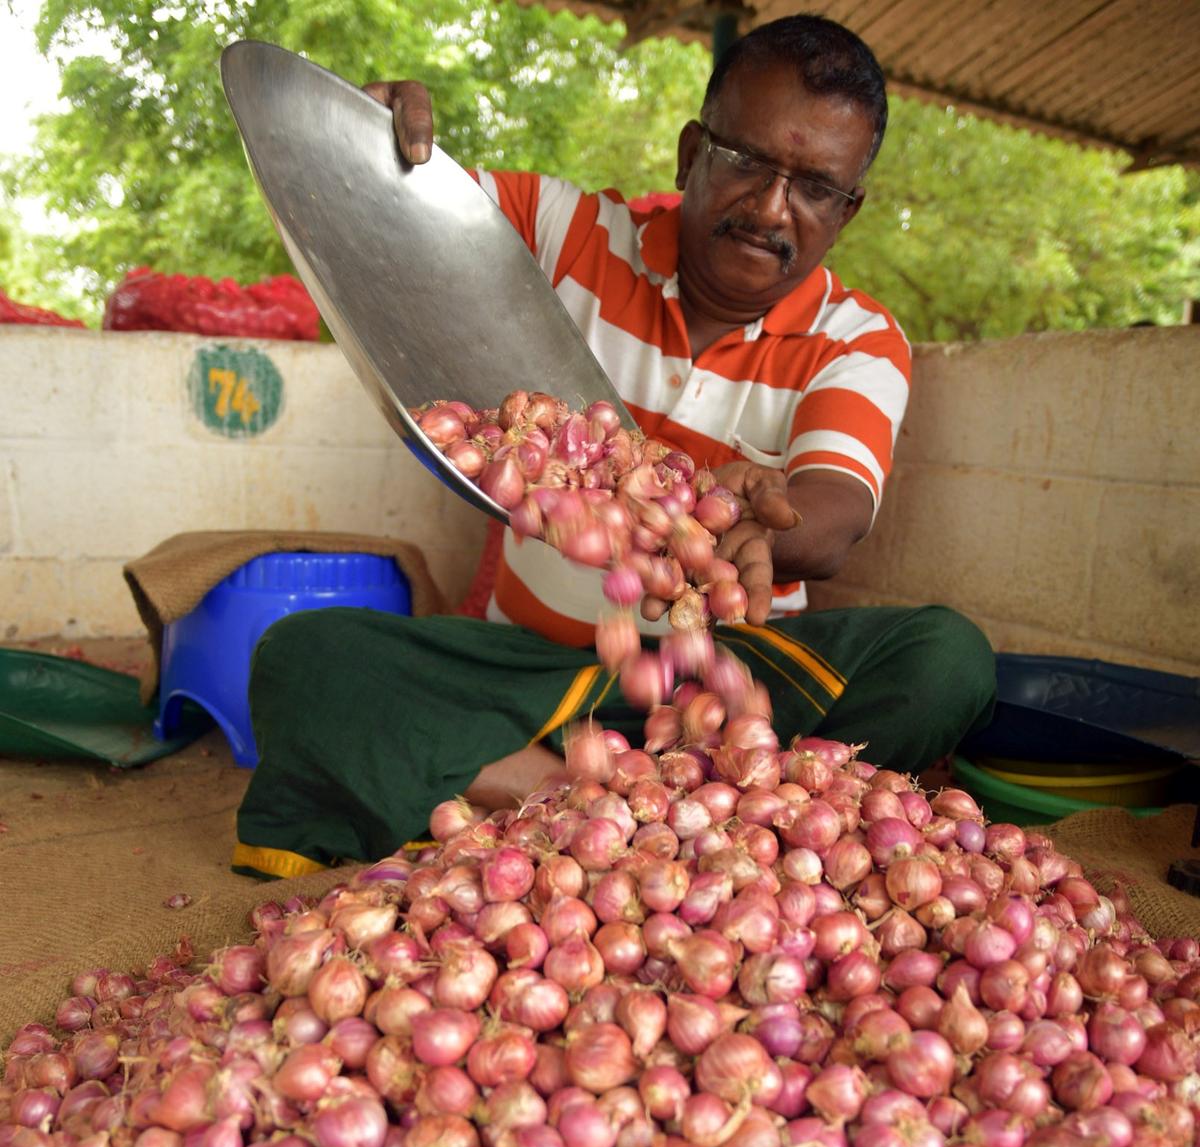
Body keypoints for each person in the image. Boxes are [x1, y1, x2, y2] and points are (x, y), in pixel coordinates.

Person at [233, 14, 995, 879]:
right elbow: (393, 213)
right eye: (746, 162)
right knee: (306, 659)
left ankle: (564, 814)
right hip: (526, 674)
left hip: (729, 689)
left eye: (816, 187)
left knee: (948, 660)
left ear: (847, 210)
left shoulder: (855, 339)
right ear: (690, 153)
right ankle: (618, 817)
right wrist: (356, 138)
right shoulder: (561, 232)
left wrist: (744, 523)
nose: (771, 207)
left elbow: (835, 510)